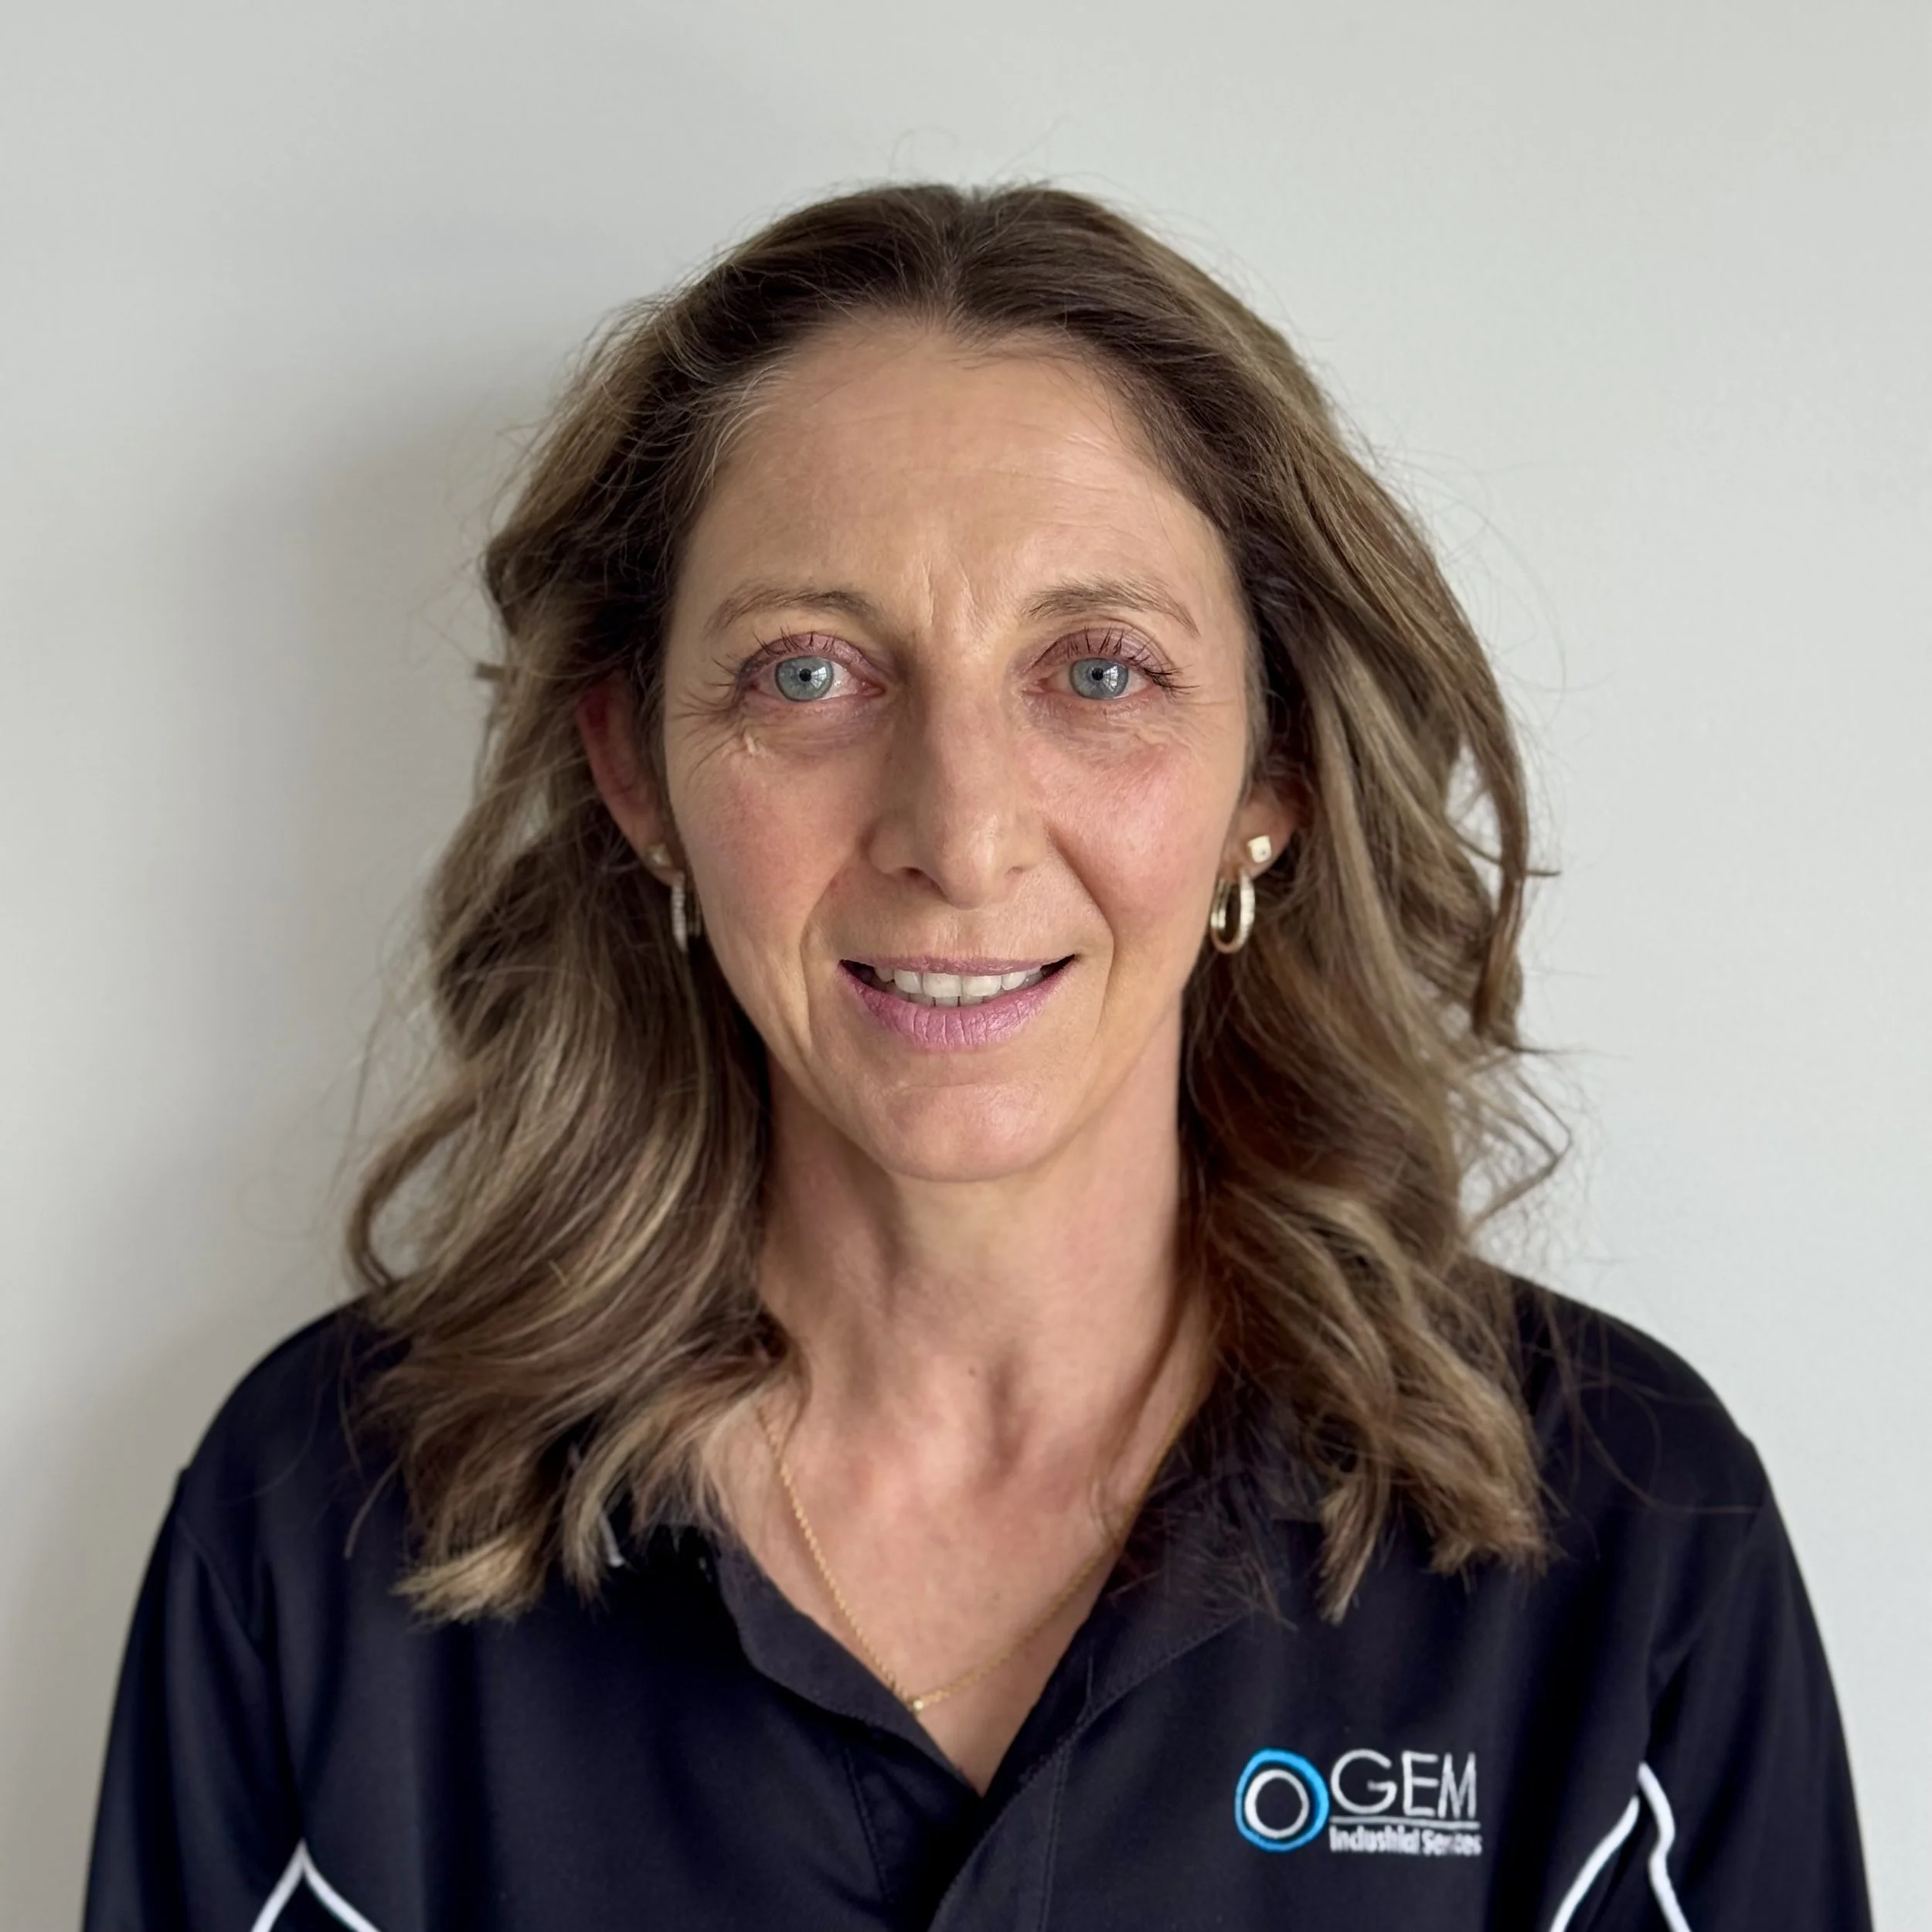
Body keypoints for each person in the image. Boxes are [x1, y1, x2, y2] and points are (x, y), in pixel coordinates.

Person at [82, 183, 1869, 1931]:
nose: (957, 832)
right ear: (635, 775)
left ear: (1271, 775)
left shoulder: (1624, 1535)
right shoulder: (318, 1528)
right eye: (806, 674)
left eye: (1095, 672)